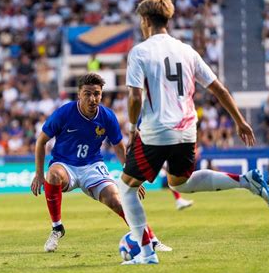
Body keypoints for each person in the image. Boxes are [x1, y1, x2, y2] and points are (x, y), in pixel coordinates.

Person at [117, 0, 269, 265]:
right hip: (187, 131)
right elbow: (219, 89)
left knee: (127, 189)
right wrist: (239, 120)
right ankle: (247, 180)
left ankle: (146, 254)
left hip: (156, 130)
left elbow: (134, 97)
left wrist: (132, 128)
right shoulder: (187, 51)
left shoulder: (140, 52)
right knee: (181, 183)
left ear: (145, 21)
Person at [31, 73, 171, 253]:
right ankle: (57, 228)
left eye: (96, 93)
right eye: (87, 93)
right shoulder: (64, 113)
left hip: (92, 166)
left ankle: (151, 240)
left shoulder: (107, 116)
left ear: (101, 95)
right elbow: (41, 141)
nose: (92, 98)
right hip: (65, 165)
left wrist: (131, 176)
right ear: (79, 95)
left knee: (117, 200)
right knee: (53, 174)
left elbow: (119, 147)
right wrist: (39, 174)